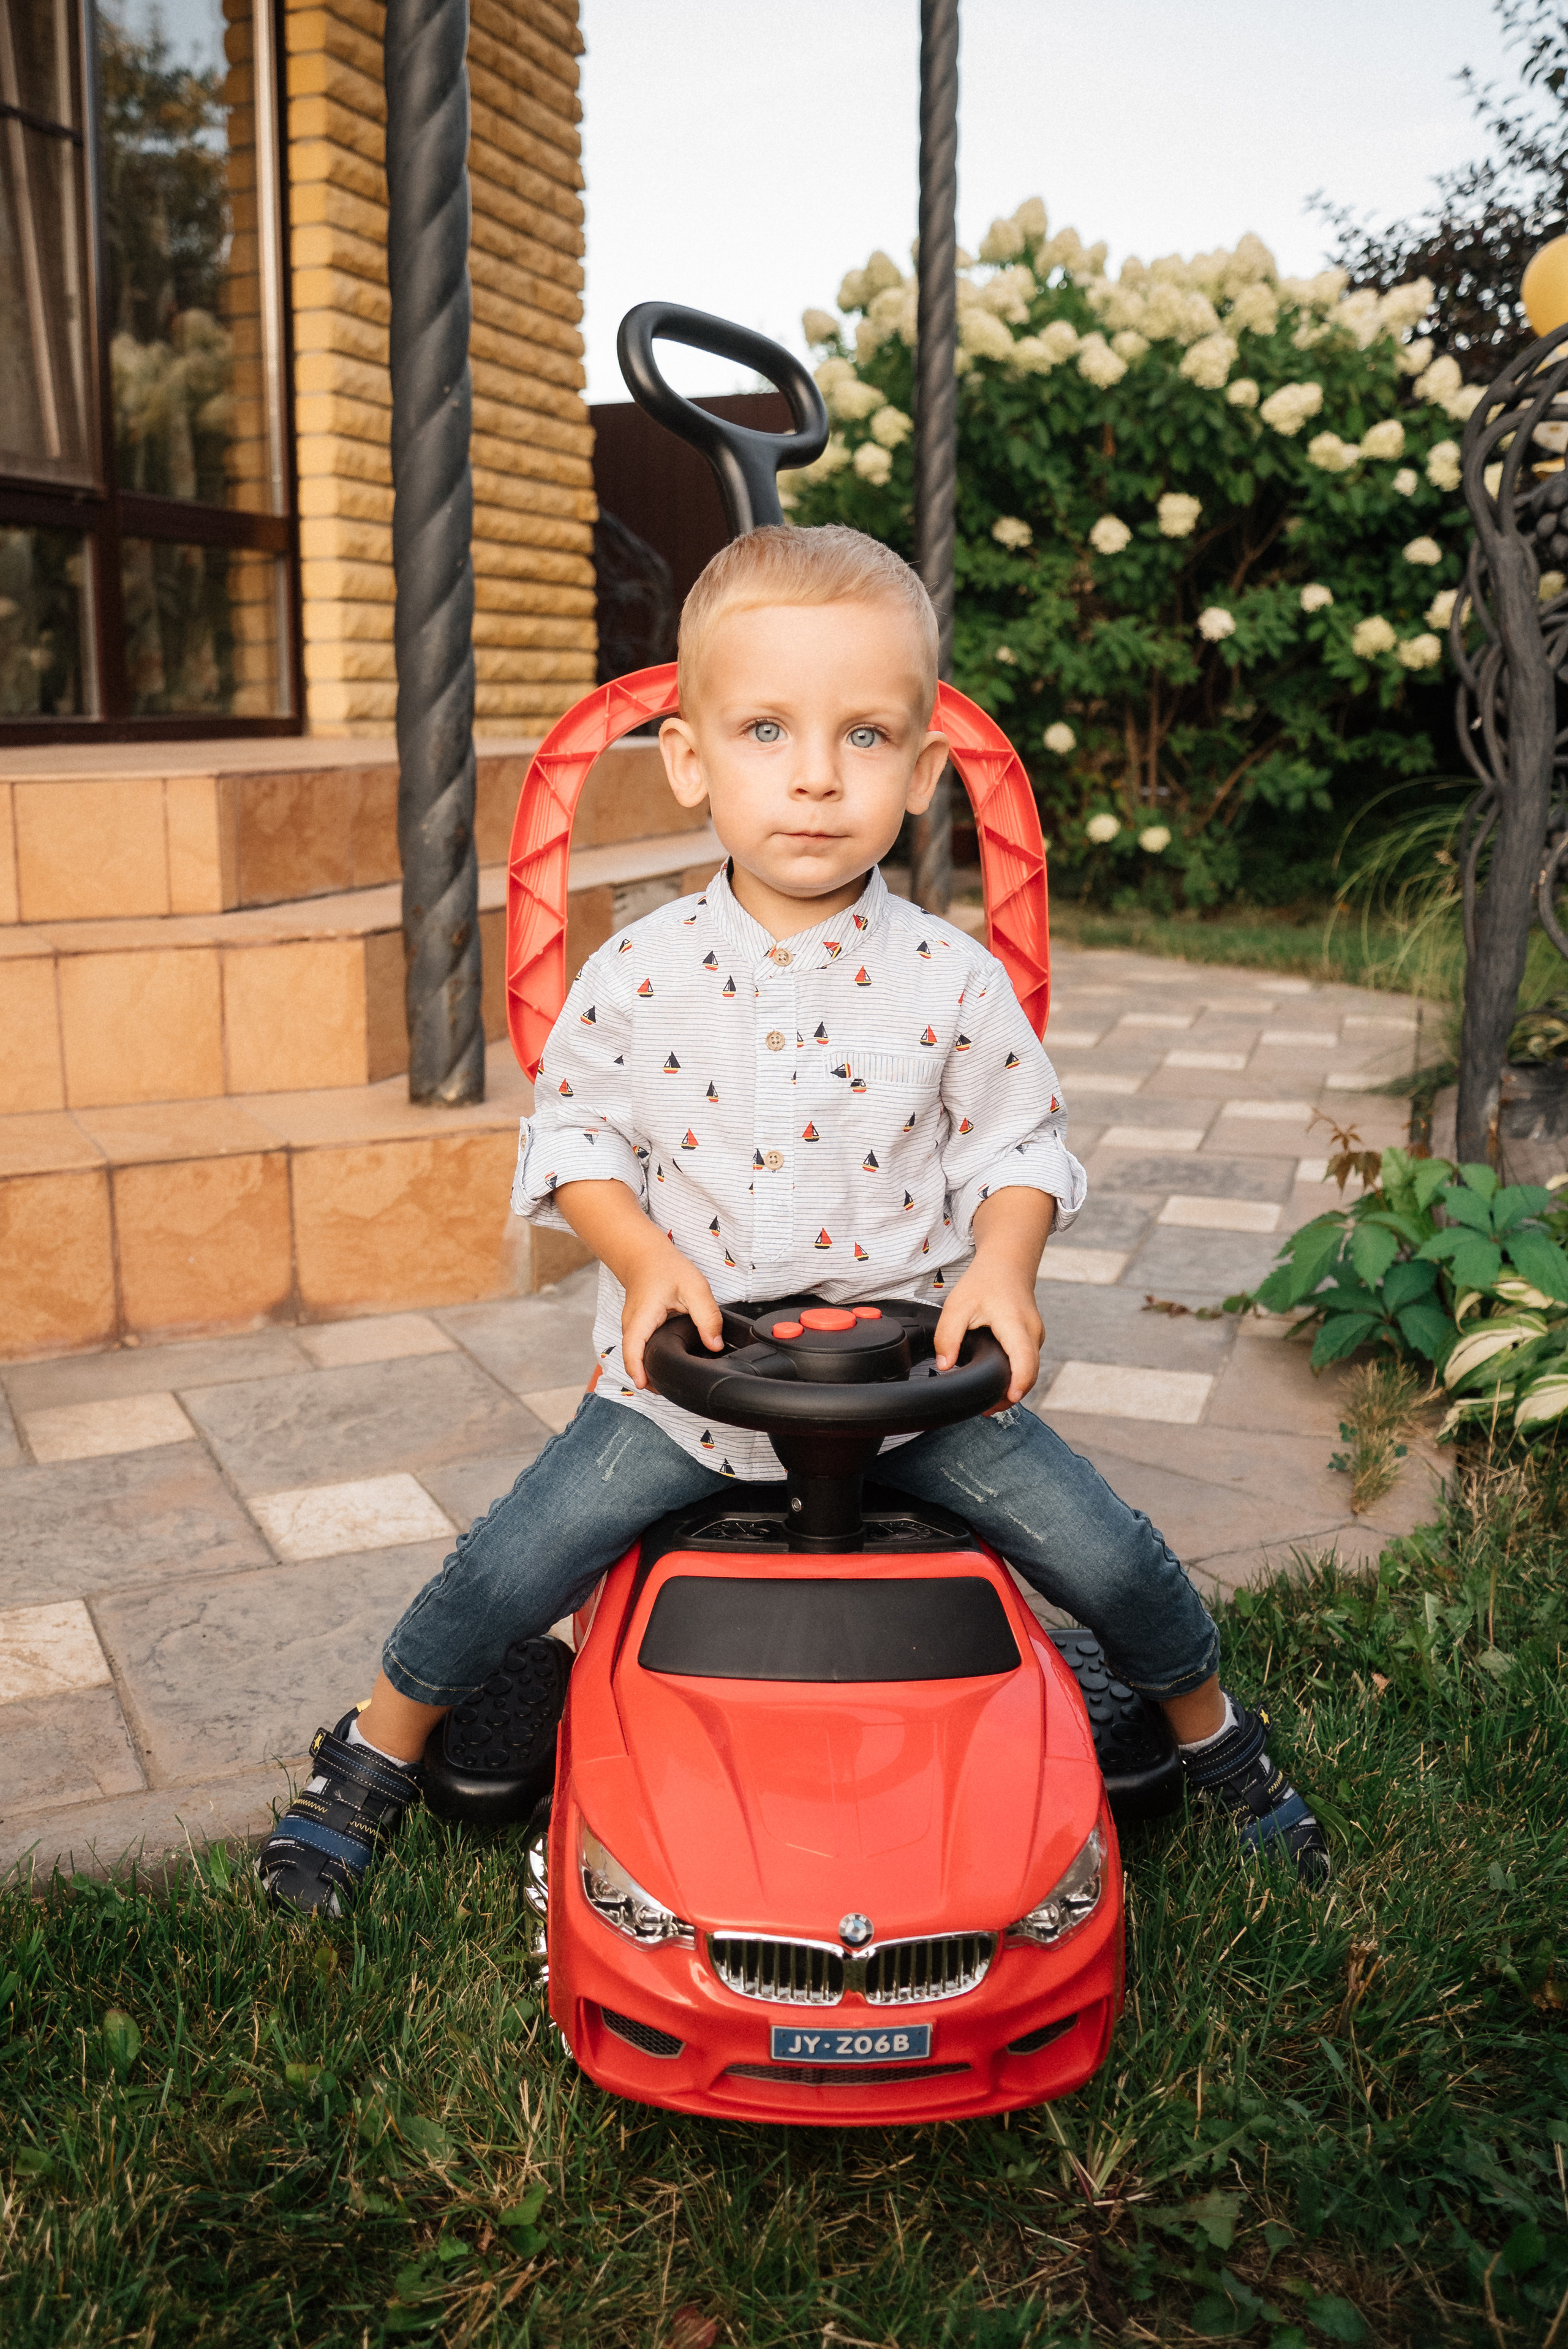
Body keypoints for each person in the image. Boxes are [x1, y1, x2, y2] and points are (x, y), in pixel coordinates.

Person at [257, 524, 1329, 1916]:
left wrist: (1000, 1266)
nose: (816, 774)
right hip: (682, 1394)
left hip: (912, 1394)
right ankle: (369, 1762)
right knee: (512, 1557)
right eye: (766, 729)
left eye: (864, 735)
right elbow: (576, 1138)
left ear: (923, 772)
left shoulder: (948, 980)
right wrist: (640, 1260)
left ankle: (1217, 1744)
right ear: (691, 761)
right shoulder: (639, 970)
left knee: (1106, 1551)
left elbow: (1019, 1142)